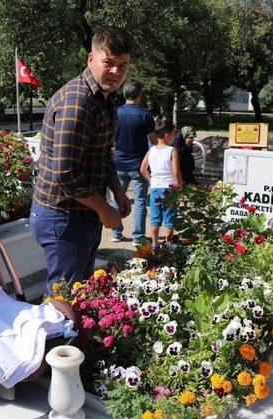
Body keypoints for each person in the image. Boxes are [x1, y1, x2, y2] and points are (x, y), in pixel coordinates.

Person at [30, 27, 136, 293]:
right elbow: (66, 173)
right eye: (108, 63)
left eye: (122, 66)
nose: (116, 72)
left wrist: (118, 191)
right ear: (91, 59)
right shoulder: (78, 101)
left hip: (81, 213)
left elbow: (103, 154)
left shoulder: (105, 99)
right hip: (63, 216)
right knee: (63, 302)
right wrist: (105, 210)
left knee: (80, 292)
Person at [111, 80, 157, 245]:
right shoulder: (145, 114)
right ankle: (138, 237)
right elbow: (153, 140)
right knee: (139, 202)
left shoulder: (116, 113)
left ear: (124, 94)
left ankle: (116, 233)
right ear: (140, 95)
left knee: (117, 199)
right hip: (140, 165)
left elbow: (111, 138)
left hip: (119, 164)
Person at [140, 120, 182, 248]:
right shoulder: (171, 150)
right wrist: (179, 185)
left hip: (155, 188)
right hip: (169, 188)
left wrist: (151, 180)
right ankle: (168, 245)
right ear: (167, 135)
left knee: (155, 218)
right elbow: (176, 172)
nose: (175, 137)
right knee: (169, 219)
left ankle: (154, 245)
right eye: (174, 134)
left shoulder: (151, 150)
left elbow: (143, 168)